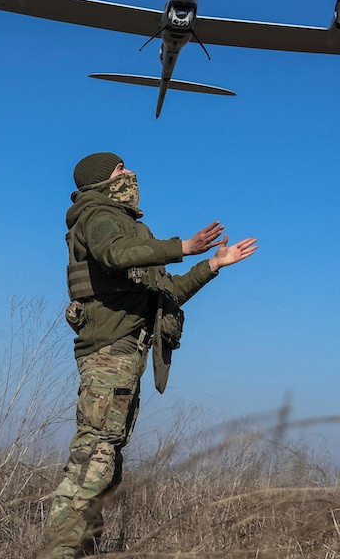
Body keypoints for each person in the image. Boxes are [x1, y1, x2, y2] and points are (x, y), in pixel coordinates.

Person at [41, 152, 257, 558]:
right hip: (110, 348)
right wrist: (184, 246)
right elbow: (113, 255)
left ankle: (82, 550)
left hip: (128, 349)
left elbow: (165, 293)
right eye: (120, 170)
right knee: (95, 457)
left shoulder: (131, 227)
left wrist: (211, 264)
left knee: (106, 462)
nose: (130, 174)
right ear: (102, 179)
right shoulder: (98, 214)